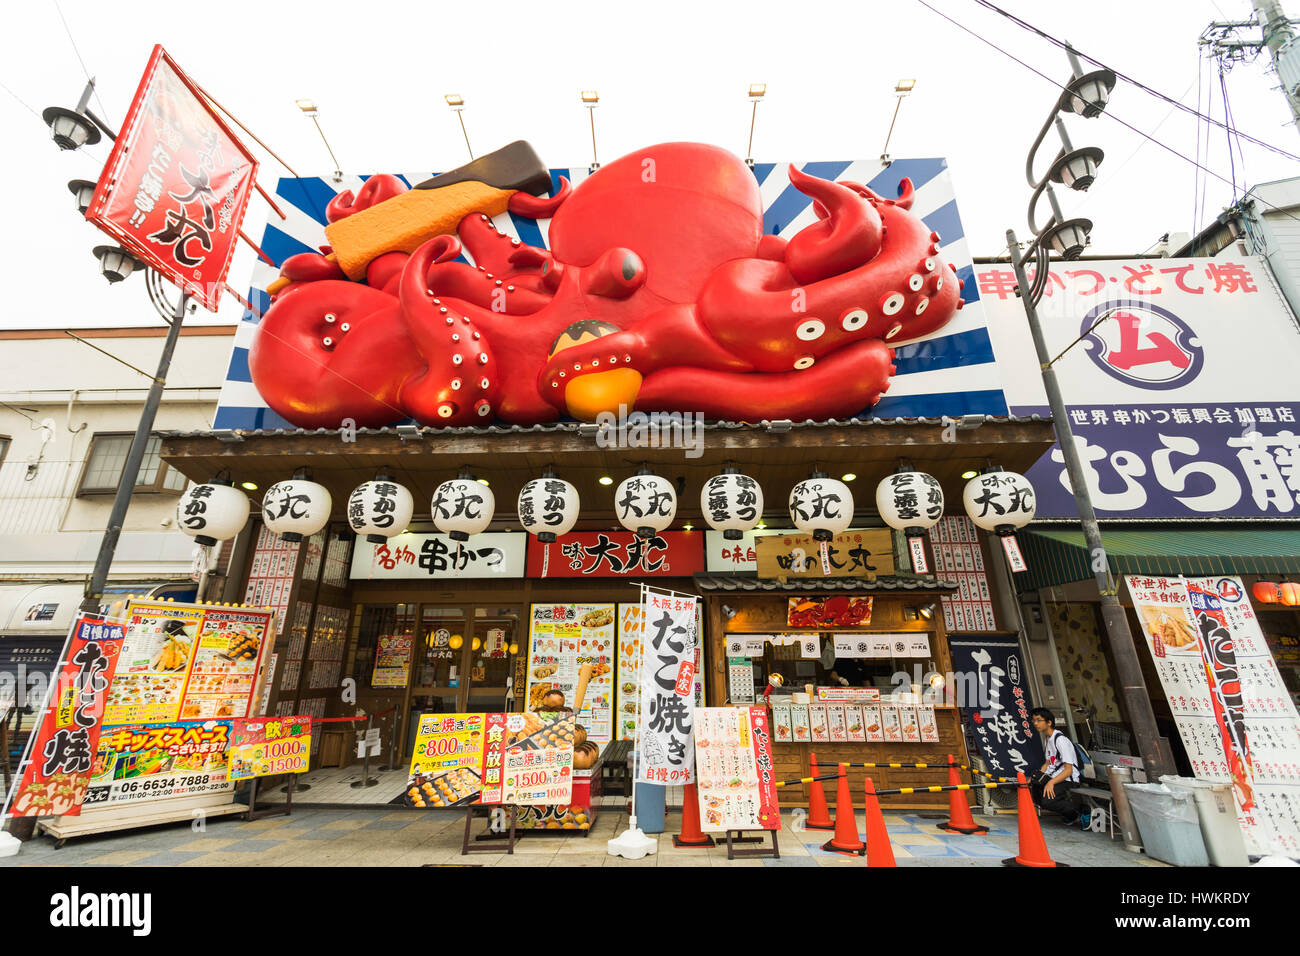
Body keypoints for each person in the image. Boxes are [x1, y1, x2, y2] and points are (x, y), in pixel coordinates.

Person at [1029, 707, 1081, 825]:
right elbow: (1048, 763)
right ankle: (1069, 814)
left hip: (1068, 778)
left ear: (1049, 722)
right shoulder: (1048, 739)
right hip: (1055, 776)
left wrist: (1051, 783)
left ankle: (1079, 811)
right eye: (1034, 720)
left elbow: (1069, 770)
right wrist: (1037, 778)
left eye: (1038, 720)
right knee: (1035, 791)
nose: (1035, 723)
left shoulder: (1060, 740)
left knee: (1048, 802)